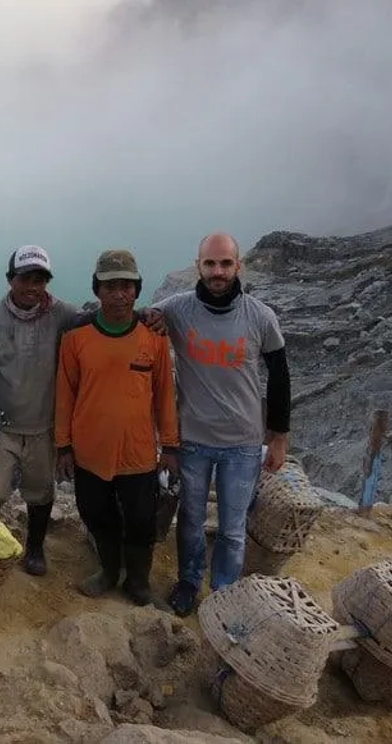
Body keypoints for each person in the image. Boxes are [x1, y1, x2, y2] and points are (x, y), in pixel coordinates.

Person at [149, 232, 291, 617]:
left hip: (243, 443)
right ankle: (189, 582)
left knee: (232, 528)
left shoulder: (260, 316)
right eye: (210, 263)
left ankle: (224, 590)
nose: (217, 272)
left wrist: (278, 438)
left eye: (225, 264)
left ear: (238, 266)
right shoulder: (177, 309)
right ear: (198, 266)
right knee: (191, 522)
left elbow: (279, 376)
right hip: (192, 439)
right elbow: (136, 320)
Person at [55, 250, 179, 605]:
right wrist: (63, 446)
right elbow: (65, 394)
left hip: (138, 452)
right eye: (110, 286)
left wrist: (170, 446)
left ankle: (138, 581)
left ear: (137, 291)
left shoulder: (153, 337)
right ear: (98, 290)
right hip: (89, 451)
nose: (119, 293)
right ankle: (108, 572)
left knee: (141, 520)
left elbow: (165, 396)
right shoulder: (76, 338)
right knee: (96, 513)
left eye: (126, 285)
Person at [0, 245, 82, 577]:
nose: (33, 287)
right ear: (9, 279)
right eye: (26, 278)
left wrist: (150, 315)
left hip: (44, 427)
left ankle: (34, 548)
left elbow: (96, 320)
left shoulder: (62, 315)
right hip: (1, 426)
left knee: (41, 489)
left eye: (40, 279)